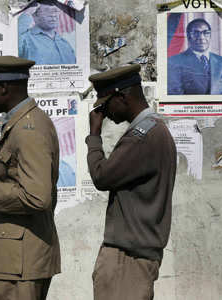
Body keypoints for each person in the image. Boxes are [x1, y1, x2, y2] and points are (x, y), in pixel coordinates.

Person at [0, 55, 60, 300]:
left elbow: (37, 197)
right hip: (17, 256)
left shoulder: (27, 128)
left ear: (3, 87)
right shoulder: (24, 122)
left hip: (18, 261)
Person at [86, 64, 177, 299]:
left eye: (106, 104)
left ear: (123, 96)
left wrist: (94, 135)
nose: (105, 112)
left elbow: (101, 175)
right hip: (137, 256)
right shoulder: (156, 129)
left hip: (127, 258)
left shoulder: (141, 138)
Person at [168, 18, 222, 95]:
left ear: (210, 36)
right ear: (188, 36)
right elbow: (176, 98)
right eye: (196, 33)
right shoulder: (173, 62)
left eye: (205, 33)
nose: (201, 37)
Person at [18, 0, 76, 65]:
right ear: (34, 17)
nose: (53, 15)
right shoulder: (25, 39)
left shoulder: (65, 44)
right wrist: (27, 13)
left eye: (55, 11)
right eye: (46, 11)